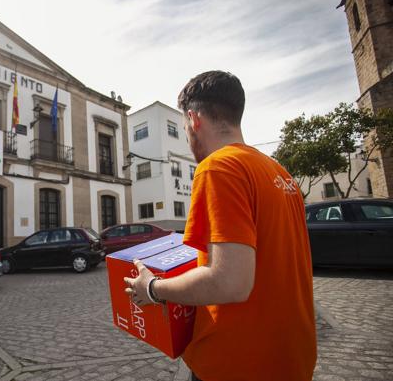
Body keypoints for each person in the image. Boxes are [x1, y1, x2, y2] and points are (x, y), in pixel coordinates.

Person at [124, 71, 316, 381]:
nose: (187, 137)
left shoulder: (217, 168)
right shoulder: (278, 172)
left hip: (236, 364)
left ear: (193, 119)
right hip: (293, 358)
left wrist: (151, 288)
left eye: (184, 128)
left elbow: (230, 282)